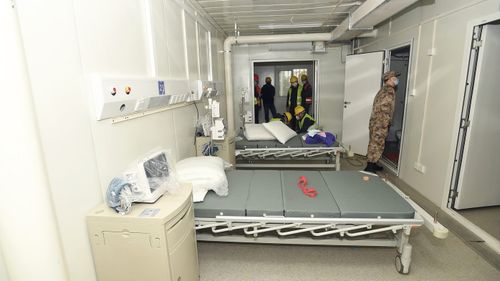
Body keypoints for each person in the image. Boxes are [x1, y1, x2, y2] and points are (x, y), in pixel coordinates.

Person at [364, 70, 399, 173]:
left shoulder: (383, 89)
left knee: (375, 142)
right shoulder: (389, 90)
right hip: (380, 122)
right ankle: (370, 166)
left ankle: (373, 163)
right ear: (389, 79)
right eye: (394, 78)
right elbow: (384, 106)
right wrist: (386, 121)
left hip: (376, 122)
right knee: (376, 143)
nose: (396, 80)